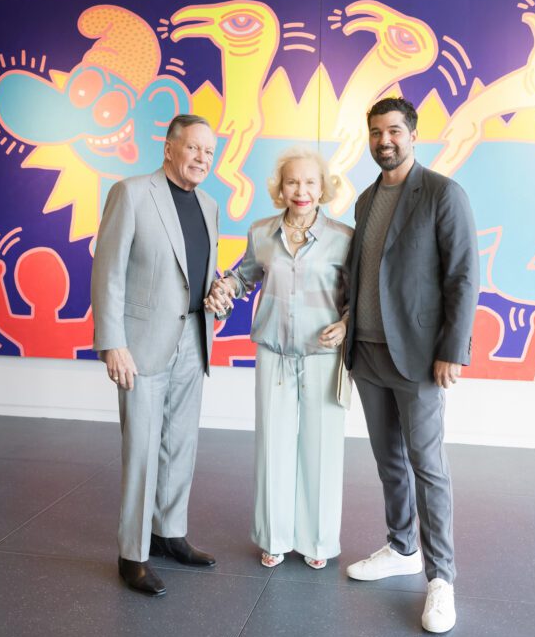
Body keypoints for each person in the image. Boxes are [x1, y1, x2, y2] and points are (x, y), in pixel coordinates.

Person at [342, 97, 479, 633]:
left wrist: (453, 349)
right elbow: (363, 276)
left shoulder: (443, 194)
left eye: (394, 131)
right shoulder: (364, 200)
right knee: (389, 462)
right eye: (376, 132)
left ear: (413, 135)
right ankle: (402, 547)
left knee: (428, 467)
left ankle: (441, 577)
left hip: (420, 359)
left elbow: (463, 276)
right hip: (368, 355)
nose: (384, 141)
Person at [91, 114, 220, 596]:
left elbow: (196, 270)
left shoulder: (208, 204)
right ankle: (133, 555)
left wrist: (216, 296)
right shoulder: (131, 192)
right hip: (141, 343)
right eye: (194, 149)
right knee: (143, 447)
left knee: (180, 443)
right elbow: (108, 271)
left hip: (193, 336)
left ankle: (169, 534)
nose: (203, 159)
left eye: (210, 152)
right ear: (169, 148)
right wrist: (112, 342)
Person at [206, 148, 352, 570]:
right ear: (280, 188)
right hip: (273, 351)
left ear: (322, 188)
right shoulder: (261, 233)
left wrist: (345, 324)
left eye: (310, 183)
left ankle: (318, 541)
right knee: (273, 444)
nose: (301, 191)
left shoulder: (343, 237)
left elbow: (359, 298)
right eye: (292, 182)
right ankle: (274, 536)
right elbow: (243, 276)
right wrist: (224, 290)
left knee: (321, 450)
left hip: (324, 354)